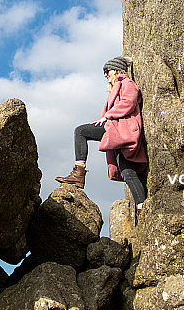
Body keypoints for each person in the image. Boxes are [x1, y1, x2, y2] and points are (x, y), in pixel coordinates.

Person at [55, 56, 148, 209]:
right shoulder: (116, 88)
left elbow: (129, 102)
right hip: (117, 131)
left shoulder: (127, 83)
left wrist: (107, 116)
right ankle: (141, 205)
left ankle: (79, 173)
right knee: (127, 171)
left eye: (107, 71)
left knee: (81, 131)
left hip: (122, 130)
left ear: (117, 70)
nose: (105, 75)